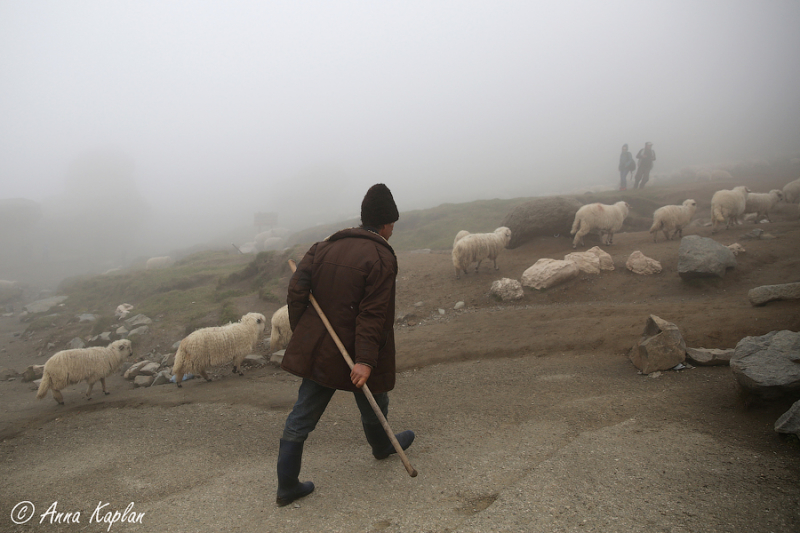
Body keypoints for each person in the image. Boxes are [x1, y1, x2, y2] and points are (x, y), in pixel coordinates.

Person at [275, 183, 415, 507]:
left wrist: (306, 332)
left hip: (323, 349)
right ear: (384, 223)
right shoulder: (381, 256)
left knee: (302, 416)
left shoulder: (322, 247)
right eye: (392, 224)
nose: (393, 230)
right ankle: (382, 445)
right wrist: (365, 360)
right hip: (358, 351)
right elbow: (372, 314)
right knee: (374, 396)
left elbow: (297, 292)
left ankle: (287, 486)